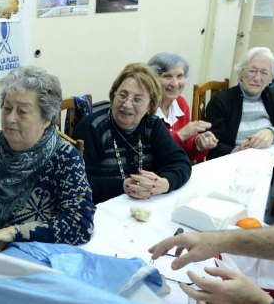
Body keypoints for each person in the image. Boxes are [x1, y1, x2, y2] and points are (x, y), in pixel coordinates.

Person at [0, 66, 95, 251]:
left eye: (22, 111)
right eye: (7, 108)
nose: (10, 118)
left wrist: (15, 232)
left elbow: (80, 224)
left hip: (19, 258)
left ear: (47, 120)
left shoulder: (65, 159)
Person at [73, 63, 192, 204]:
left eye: (137, 99)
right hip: (103, 210)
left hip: (146, 206)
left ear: (150, 105)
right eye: (122, 95)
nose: (127, 104)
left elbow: (180, 162)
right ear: (114, 94)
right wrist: (124, 185)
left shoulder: (152, 125)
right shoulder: (91, 128)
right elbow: (80, 183)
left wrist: (164, 183)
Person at [205, 47, 274, 160]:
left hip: (268, 159)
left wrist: (273, 133)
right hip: (234, 162)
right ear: (241, 74)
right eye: (252, 71)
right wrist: (237, 151)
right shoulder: (222, 101)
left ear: (270, 78)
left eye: (264, 72)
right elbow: (211, 145)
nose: (257, 78)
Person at [148, 53, 218, 160]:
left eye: (180, 76)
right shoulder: (145, 108)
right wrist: (181, 135)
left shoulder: (181, 103)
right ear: (153, 79)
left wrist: (198, 143)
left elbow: (185, 149)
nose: (175, 83)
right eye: (167, 76)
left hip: (176, 169)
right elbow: (149, 155)